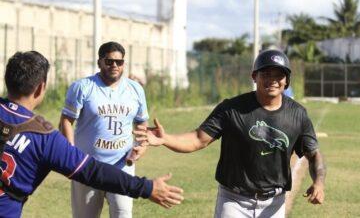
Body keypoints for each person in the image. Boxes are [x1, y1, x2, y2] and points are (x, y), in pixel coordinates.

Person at [134, 49, 326, 218]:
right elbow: (197, 139)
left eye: (279, 75)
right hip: (234, 200)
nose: (273, 80)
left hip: (274, 203)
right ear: (254, 76)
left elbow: (313, 153)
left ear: (286, 80)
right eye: (266, 73)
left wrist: (318, 182)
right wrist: (165, 138)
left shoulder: (297, 114)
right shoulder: (232, 109)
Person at [0, 51, 183, 218]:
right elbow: (93, 171)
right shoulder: (45, 137)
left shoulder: (133, 89)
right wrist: (147, 188)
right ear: (41, 88)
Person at [59, 41, 151, 218]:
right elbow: (66, 121)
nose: (114, 65)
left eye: (119, 62)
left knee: (123, 214)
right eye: (109, 61)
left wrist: (142, 145)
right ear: (99, 62)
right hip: (87, 166)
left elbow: (141, 124)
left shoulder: (136, 89)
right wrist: (71, 155)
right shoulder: (82, 87)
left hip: (122, 167)